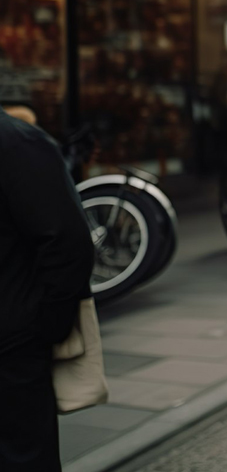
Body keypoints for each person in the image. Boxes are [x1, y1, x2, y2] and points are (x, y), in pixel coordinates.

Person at [0, 106, 94, 472]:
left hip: (10, 347)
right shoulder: (16, 141)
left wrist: (46, 325)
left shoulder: (15, 143)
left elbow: (68, 245)